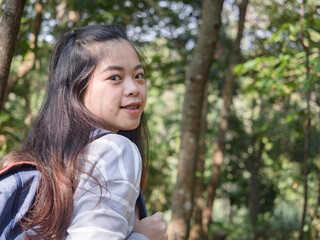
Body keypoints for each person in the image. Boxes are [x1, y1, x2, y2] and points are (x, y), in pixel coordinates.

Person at [1, 24, 168, 240]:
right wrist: (144, 237)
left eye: (139, 75)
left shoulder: (55, 161)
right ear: (78, 89)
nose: (134, 88)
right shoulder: (114, 149)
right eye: (115, 77)